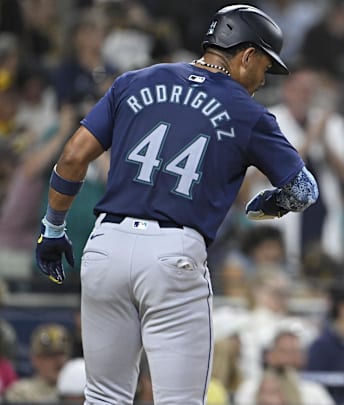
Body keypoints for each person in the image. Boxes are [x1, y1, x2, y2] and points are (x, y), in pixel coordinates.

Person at [33, 4, 318, 404]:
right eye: (265, 68)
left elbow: (72, 158)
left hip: (105, 246)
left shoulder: (135, 80)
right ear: (247, 54)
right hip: (172, 254)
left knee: (103, 396)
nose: (262, 79)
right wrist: (269, 205)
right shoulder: (247, 112)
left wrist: (54, 227)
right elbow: (304, 191)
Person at [4, 323, 71, 403]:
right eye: (50, 355)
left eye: (61, 353)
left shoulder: (80, 389)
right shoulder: (20, 392)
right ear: (35, 359)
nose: (58, 360)